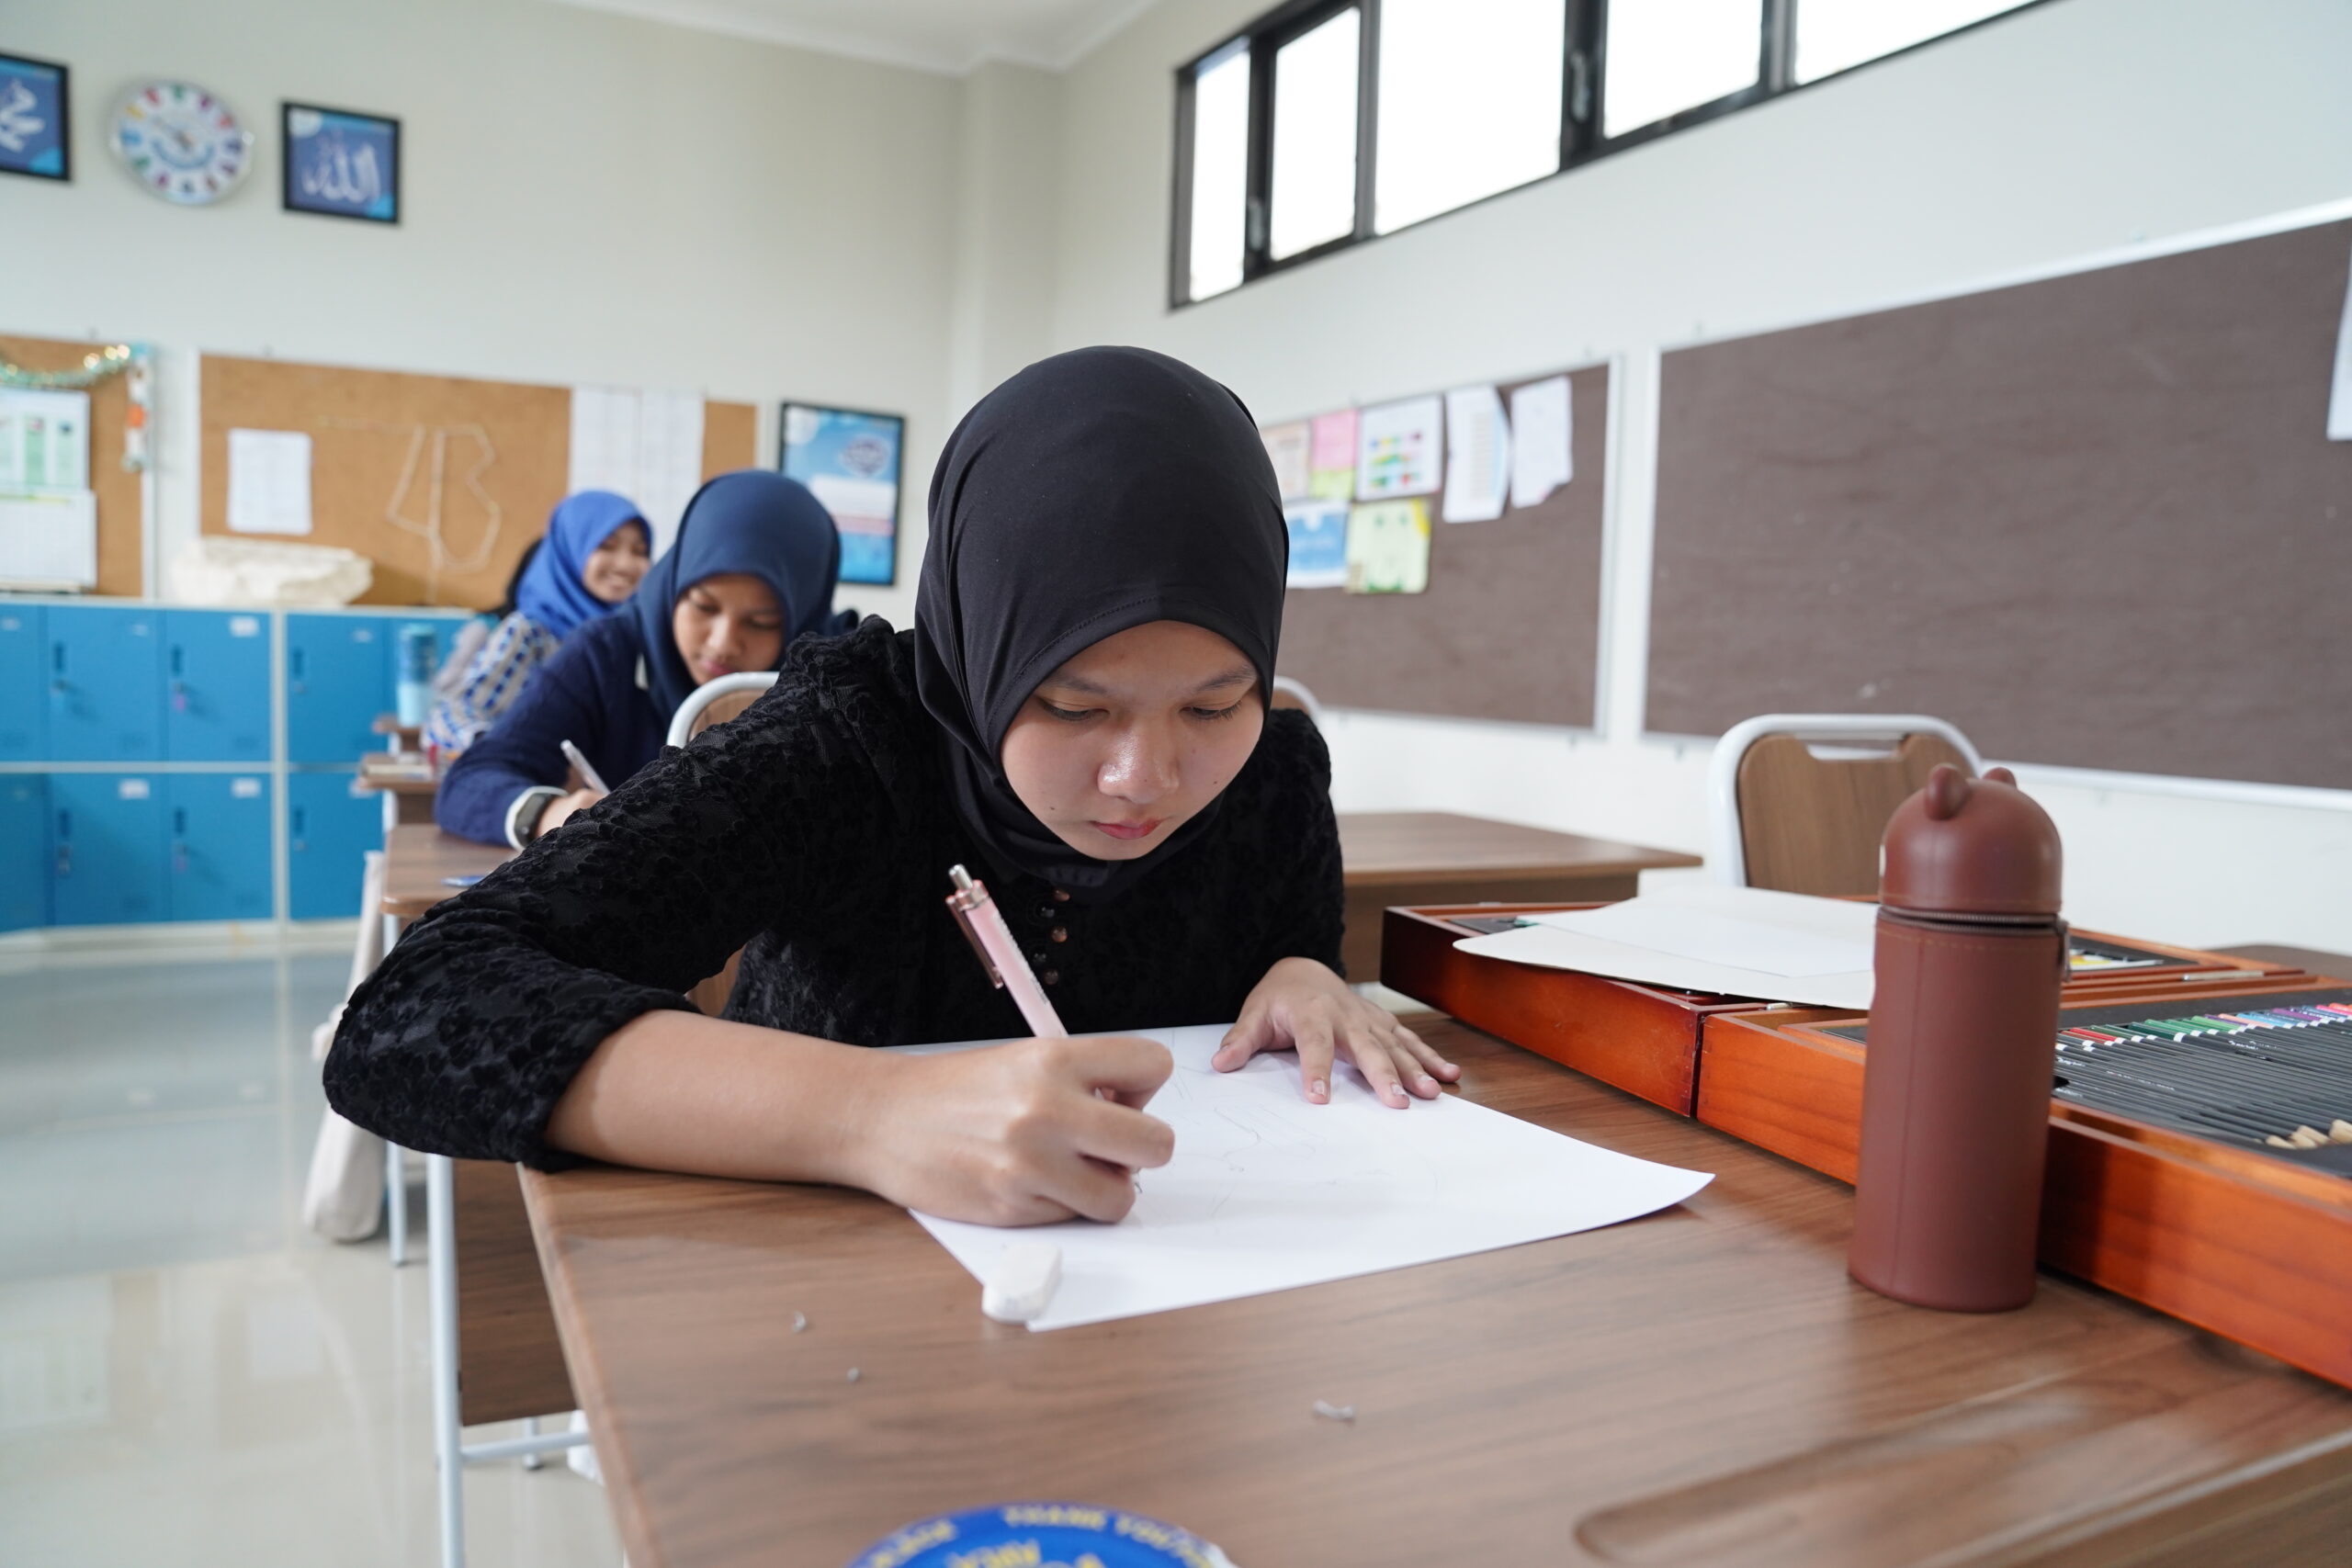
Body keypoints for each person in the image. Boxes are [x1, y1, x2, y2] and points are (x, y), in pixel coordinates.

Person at [328, 348, 1457, 1230]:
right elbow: (414, 1013)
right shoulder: (845, 746)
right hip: (825, 1312)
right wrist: (869, 1114)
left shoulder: (1272, 772)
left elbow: (1292, 943)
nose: (1145, 778)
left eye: (1212, 707)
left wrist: (1303, 969)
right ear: (979, 648)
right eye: (1073, 706)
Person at [432, 469, 849, 847]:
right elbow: (471, 781)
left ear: (803, 615)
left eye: (761, 622)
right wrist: (549, 814)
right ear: (675, 586)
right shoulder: (608, 652)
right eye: (703, 606)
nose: (723, 643)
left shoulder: (836, 676)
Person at [424, 492, 650, 758]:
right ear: (570, 550)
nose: (625, 564)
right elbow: (452, 713)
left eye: (639, 551)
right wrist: (495, 749)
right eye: (606, 546)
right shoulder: (532, 632)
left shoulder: (644, 633)